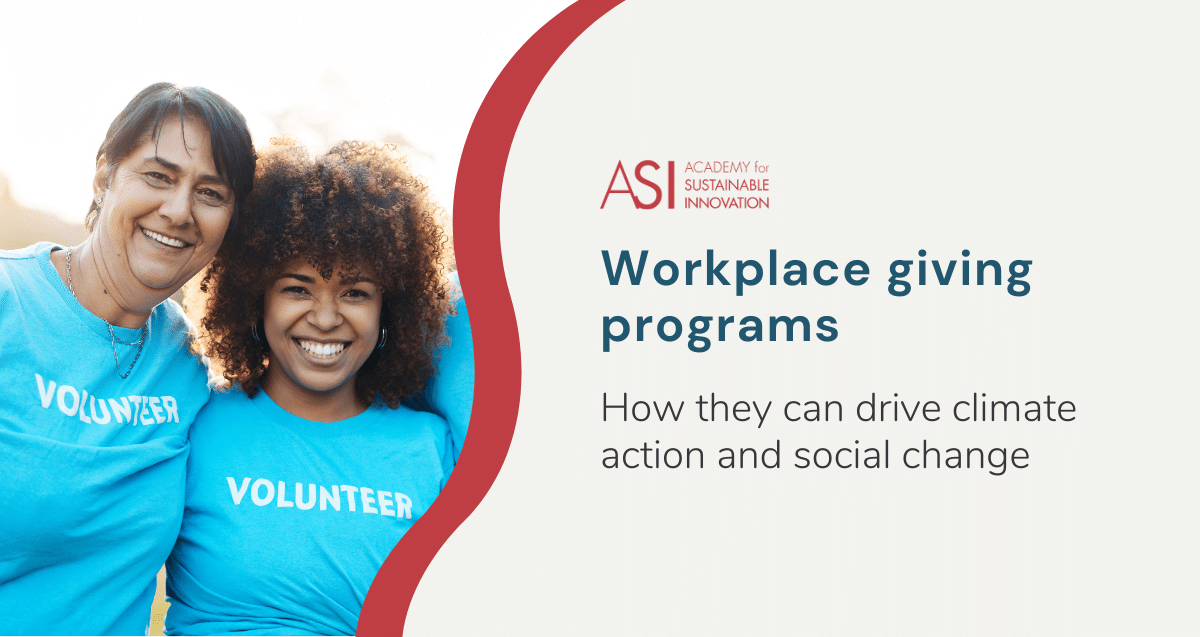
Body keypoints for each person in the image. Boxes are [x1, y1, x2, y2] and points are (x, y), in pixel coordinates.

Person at [165, 138, 463, 635]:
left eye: (355, 292)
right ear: (254, 297)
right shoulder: (193, 425)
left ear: (390, 308)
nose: (326, 318)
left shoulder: (433, 451)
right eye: (297, 287)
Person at [0, 83, 256, 635]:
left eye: (211, 193)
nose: (179, 209)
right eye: (158, 176)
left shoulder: (194, 367)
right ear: (103, 177)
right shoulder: (7, 301)